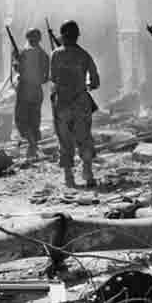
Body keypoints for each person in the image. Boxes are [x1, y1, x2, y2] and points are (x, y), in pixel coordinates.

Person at [49, 20, 100, 188]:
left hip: (62, 102)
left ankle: (68, 177)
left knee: (64, 140)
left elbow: (53, 77)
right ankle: (88, 173)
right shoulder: (85, 55)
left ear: (62, 36)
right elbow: (95, 81)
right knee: (84, 137)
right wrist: (85, 85)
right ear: (77, 36)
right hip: (80, 102)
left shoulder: (55, 54)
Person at [14, 28, 51, 159]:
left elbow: (18, 69)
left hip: (24, 90)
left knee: (21, 119)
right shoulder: (45, 55)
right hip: (37, 91)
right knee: (34, 120)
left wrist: (16, 60)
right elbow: (46, 78)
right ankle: (33, 148)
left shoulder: (24, 53)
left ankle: (32, 144)